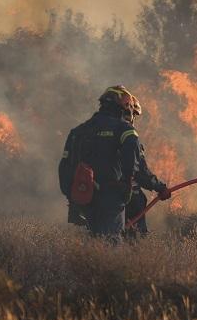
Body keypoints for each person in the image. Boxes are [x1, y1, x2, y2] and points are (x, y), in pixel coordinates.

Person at [59, 85, 170, 240]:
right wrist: (158, 187)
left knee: (89, 244)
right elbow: (138, 169)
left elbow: (64, 168)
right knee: (111, 245)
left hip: (82, 200)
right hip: (110, 198)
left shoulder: (78, 131)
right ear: (125, 107)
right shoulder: (124, 131)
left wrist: (73, 195)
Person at [124, 95, 170, 237]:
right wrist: (160, 187)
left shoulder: (91, 132)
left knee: (101, 238)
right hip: (126, 197)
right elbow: (140, 171)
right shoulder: (127, 136)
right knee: (133, 239)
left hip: (96, 197)